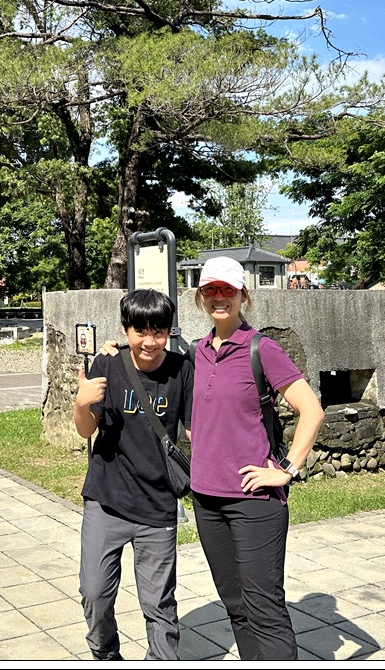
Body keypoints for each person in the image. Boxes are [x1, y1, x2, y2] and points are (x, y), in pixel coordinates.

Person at [190, 256, 324, 661]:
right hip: (205, 498)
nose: (219, 297)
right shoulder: (194, 352)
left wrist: (286, 470)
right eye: (210, 289)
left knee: (264, 606)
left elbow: (312, 410)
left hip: (254, 501)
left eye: (227, 289)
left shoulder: (262, 349)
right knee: (235, 604)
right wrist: (112, 349)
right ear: (200, 297)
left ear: (242, 296)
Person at [74, 289, 193, 661]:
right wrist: (81, 401)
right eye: (140, 331)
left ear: (168, 331)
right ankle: (105, 652)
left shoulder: (181, 369)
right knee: (94, 593)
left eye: (158, 331)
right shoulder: (107, 364)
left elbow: (195, 432)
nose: (149, 341)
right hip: (106, 500)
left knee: (159, 603)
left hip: (157, 505)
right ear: (125, 330)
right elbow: (84, 430)